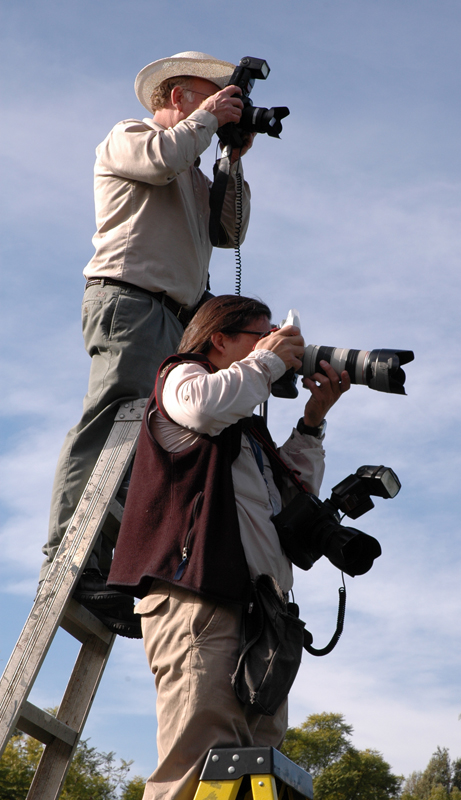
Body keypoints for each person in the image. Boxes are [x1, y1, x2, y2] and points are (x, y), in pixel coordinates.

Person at [39, 52, 253, 632]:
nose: (225, 104)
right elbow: (162, 158)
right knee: (111, 424)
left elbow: (230, 232)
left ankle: (104, 565)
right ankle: (68, 560)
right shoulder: (130, 137)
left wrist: (234, 156)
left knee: (149, 448)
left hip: (177, 319)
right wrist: (211, 118)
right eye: (214, 95)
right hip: (130, 300)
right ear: (179, 96)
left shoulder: (195, 170)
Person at [106, 294, 351, 800]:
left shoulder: (244, 428)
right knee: (197, 766)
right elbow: (203, 404)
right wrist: (269, 360)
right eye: (262, 336)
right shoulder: (182, 378)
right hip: (200, 602)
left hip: (261, 613)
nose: (278, 350)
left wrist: (312, 421)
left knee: (249, 773)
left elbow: (292, 498)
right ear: (220, 338)